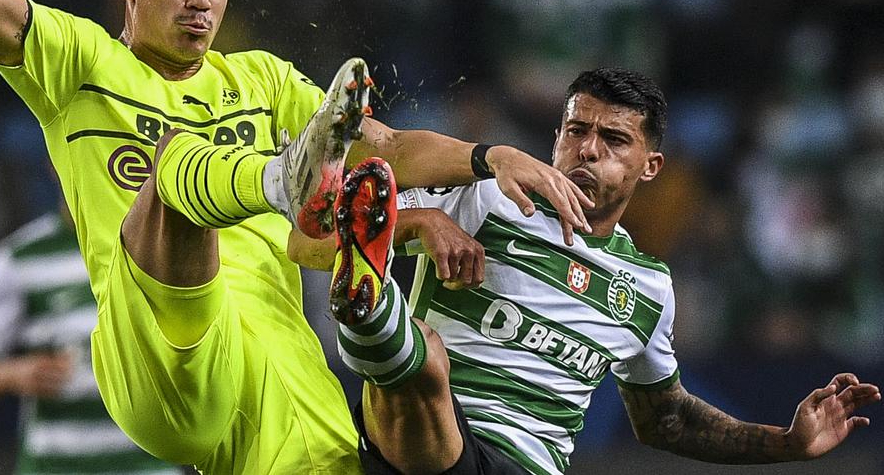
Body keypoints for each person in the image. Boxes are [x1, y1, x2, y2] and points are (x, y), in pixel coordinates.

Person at [0, 0, 593, 474]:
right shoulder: (80, 61)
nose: (201, 1)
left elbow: (388, 149)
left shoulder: (261, 80)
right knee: (174, 168)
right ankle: (280, 179)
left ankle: (299, 188)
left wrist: (491, 156)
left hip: (273, 356)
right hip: (159, 348)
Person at [318, 68, 881, 475]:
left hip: (525, 463)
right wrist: (418, 219)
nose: (588, 151)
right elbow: (316, 224)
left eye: (613, 140)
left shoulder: (649, 288)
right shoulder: (486, 195)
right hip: (415, 442)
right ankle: (367, 298)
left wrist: (785, 443)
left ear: (650, 166)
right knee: (428, 368)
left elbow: (666, 421)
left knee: (421, 362)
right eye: (575, 131)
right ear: (556, 137)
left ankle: (370, 312)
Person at [0, 205, 178, 474]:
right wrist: (17, 374)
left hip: (148, 466)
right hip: (54, 465)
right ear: (54, 165)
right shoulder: (22, 256)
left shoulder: (160, 242)